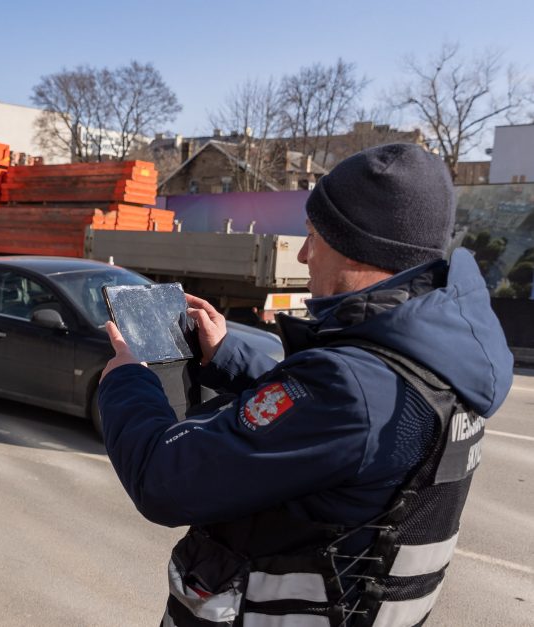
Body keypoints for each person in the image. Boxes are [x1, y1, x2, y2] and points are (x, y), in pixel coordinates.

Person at [98, 143, 514, 627]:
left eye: (313, 236)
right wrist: (229, 355)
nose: (302, 253)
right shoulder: (441, 359)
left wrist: (126, 379)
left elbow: (163, 479)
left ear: (356, 248)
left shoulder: (351, 389)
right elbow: (329, 424)